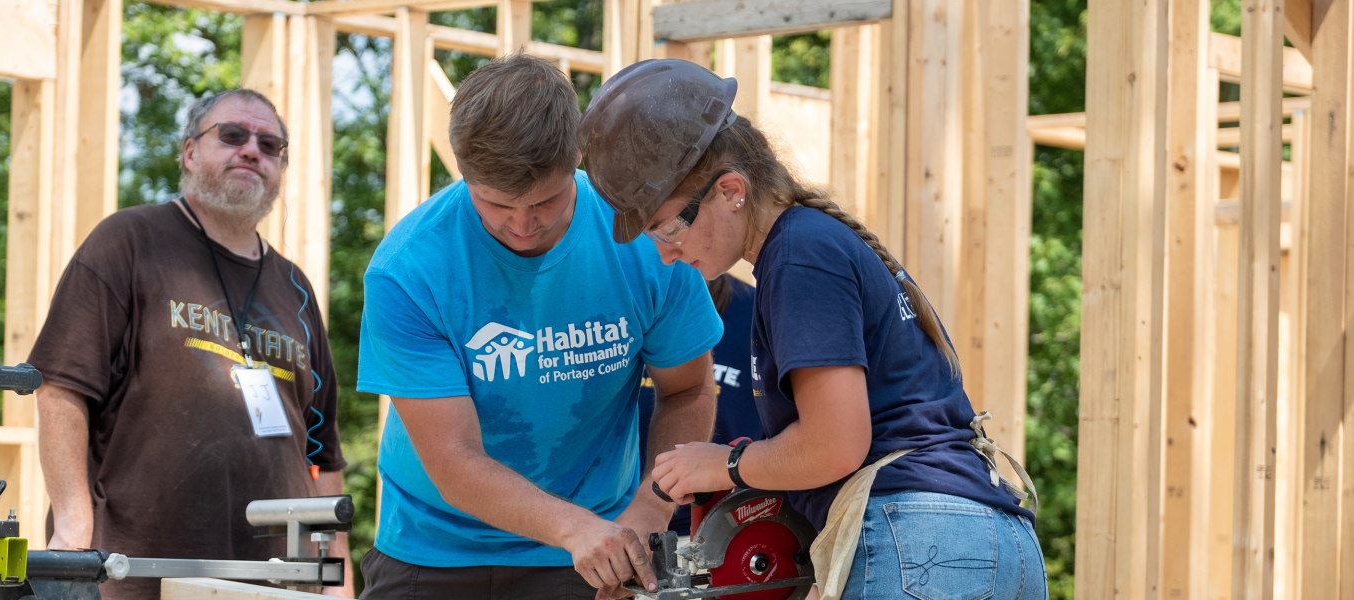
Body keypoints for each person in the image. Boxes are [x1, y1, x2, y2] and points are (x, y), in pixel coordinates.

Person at [580, 59, 1046, 600]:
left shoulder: (797, 257)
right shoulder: (814, 244)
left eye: (667, 227)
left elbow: (836, 444)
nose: (664, 255)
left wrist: (724, 464)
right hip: (985, 542)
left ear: (731, 189)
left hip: (923, 543)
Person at [356, 54, 722, 600]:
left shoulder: (643, 236)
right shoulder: (409, 269)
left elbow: (688, 388)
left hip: (594, 549)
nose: (523, 225)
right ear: (462, 170)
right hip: (434, 552)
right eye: (496, 204)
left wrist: (649, 509)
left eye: (546, 200)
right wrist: (573, 528)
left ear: (578, 154)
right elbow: (455, 459)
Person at [31, 89, 351, 599]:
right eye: (232, 135)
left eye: (270, 145)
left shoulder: (295, 288)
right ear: (189, 152)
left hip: (281, 580)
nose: (252, 150)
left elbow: (323, 452)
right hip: (139, 573)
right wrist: (73, 534)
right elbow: (60, 386)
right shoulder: (129, 242)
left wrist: (335, 576)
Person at [636, 273, 762, 535]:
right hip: (610, 526)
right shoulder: (628, 300)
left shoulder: (755, 313)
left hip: (724, 529)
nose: (670, 251)